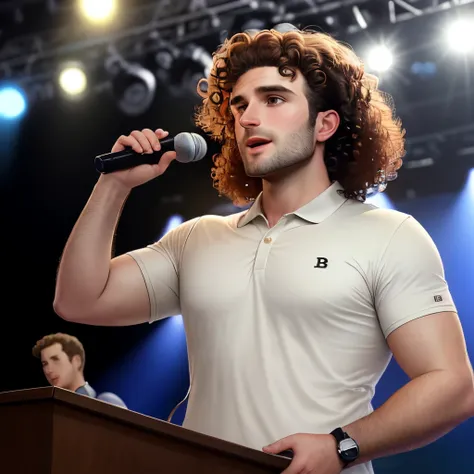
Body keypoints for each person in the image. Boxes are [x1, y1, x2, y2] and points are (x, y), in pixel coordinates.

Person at [52, 25, 474, 474]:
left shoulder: (389, 235)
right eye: (239, 104)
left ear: (325, 124)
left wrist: (341, 446)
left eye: (274, 99)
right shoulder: (197, 237)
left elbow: (452, 385)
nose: (248, 117)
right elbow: (79, 299)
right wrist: (112, 186)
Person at [32, 333, 127, 408]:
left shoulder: (107, 402)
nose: (48, 370)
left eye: (56, 359)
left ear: (76, 361)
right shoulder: (48, 410)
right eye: (45, 364)